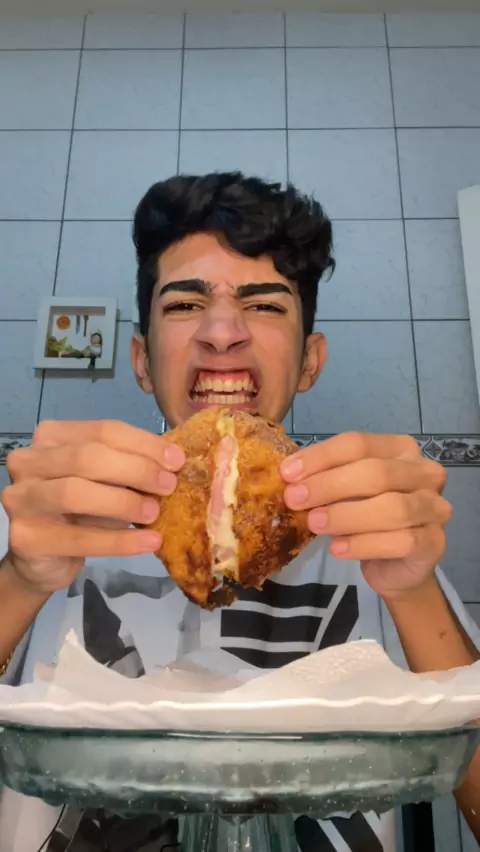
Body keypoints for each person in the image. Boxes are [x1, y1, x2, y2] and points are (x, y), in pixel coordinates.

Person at [0, 172, 479, 852]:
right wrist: (20, 579)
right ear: (142, 361)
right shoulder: (42, 531)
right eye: (184, 304)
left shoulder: (382, 540)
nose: (222, 332)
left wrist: (415, 589)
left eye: (264, 305)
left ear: (309, 361)